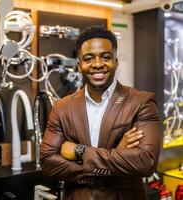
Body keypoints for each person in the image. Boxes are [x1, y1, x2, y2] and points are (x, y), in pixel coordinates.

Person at [40, 26, 161, 200]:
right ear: (79, 64)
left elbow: (145, 162)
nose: (97, 64)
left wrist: (80, 151)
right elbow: (48, 164)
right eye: (88, 58)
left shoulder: (141, 102)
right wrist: (116, 154)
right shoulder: (62, 107)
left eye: (105, 57)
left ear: (116, 62)